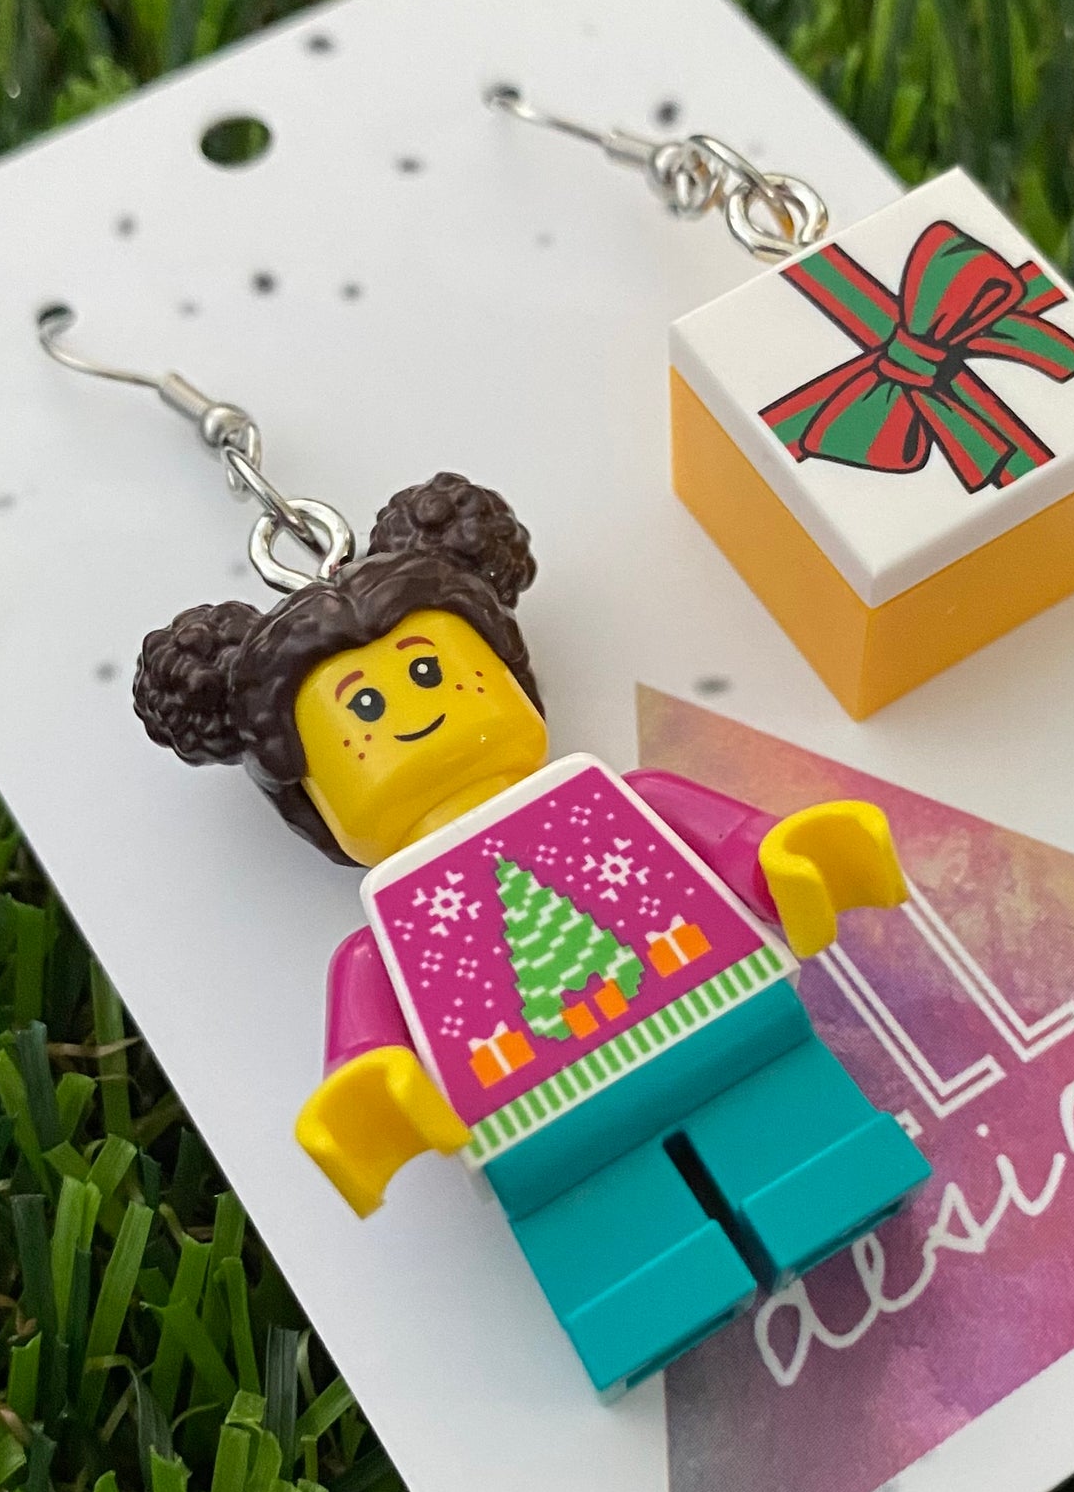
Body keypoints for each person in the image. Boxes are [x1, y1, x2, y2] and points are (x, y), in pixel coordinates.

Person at [134, 473, 928, 1393]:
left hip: (729, 1023)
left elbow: (734, 842)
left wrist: (787, 856)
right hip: (542, 1125)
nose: (413, 710)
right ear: (310, 793)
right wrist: (375, 1088)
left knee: (797, 1130)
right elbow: (367, 1046)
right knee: (607, 1238)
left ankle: (831, 1185)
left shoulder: (617, 800)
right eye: (364, 708)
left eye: (428, 671)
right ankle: (647, 1299)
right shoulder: (381, 937)